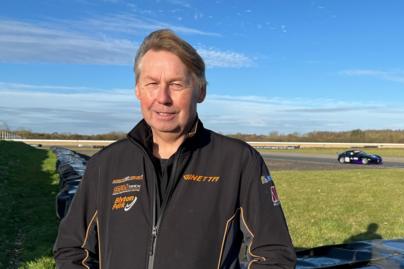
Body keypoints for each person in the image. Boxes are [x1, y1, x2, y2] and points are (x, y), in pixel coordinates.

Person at [53, 29, 296, 269]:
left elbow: (273, 253)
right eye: (152, 83)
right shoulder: (105, 164)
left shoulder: (238, 161)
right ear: (137, 90)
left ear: (201, 91)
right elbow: (73, 249)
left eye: (176, 84)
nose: (163, 97)